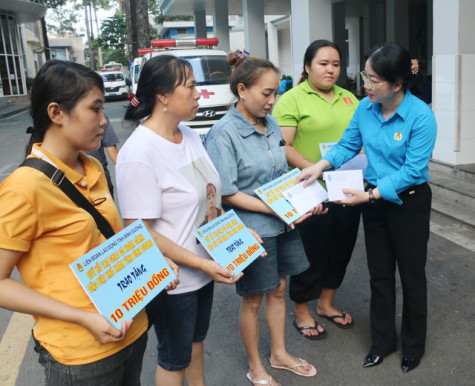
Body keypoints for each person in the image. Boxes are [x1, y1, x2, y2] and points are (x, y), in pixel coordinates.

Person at [0, 60, 150, 385]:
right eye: (95, 109)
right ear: (56, 113)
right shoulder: (24, 188)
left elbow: (108, 244)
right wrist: (82, 317)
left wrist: (155, 266)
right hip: (82, 355)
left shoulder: (91, 167)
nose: (103, 120)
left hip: (132, 330)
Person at [299, 42, 437, 373]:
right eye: (365, 75)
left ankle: (413, 346)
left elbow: (412, 171)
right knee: (379, 274)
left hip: (409, 201)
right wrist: (321, 165)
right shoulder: (365, 108)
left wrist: (371, 196)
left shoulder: (421, 116)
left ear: (397, 84)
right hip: (373, 200)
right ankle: (383, 341)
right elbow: (348, 143)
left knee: (412, 275)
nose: (366, 85)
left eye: (373, 79)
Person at [116, 54, 246, 386]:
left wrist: (240, 236)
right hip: (173, 281)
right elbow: (139, 232)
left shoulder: (188, 136)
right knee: (174, 359)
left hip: (203, 270)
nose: (199, 93)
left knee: (195, 343)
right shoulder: (139, 153)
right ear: (162, 95)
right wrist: (202, 265)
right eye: (190, 86)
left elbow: (208, 201)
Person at [205, 54, 323, 386]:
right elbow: (226, 193)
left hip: (281, 220)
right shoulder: (223, 133)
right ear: (242, 89)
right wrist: (274, 209)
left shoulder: (270, 124)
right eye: (266, 93)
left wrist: (302, 200)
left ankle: (279, 354)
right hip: (251, 227)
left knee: (279, 289)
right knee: (254, 296)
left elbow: (280, 175)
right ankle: (256, 366)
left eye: (276, 94)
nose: (273, 101)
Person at [272, 39, 361, 339]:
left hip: (348, 188)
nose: (331, 70)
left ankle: (326, 303)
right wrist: (315, 166)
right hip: (310, 189)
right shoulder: (292, 99)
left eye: (336, 64)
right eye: (323, 63)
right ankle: (301, 310)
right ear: (307, 67)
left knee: (342, 247)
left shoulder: (350, 98)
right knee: (310, 252)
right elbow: (283, 145)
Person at [85, 115, 119, 198]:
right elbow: (112, 150)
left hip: (99, 180)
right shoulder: (99, 116)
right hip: (100, 181)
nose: (104, 121)